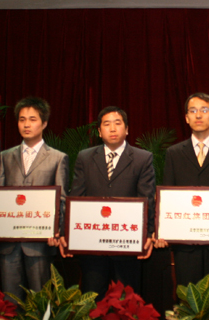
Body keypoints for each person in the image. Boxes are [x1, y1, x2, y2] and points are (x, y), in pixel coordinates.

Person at [0, 97, 69, 300]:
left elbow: (62, 200)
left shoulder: (57, 158)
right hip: (8, 243)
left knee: (41, 301)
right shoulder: (5, 156)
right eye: (22, 120)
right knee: (10, 301)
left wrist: (58, 231)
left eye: (32, 119)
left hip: (40, 243)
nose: (26, 124)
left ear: (44, 123)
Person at [157, 92, 209, 299]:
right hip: (185, 243)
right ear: (186, 118)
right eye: (193, 111)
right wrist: (162, 229)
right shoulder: (174, 153)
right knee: (189, 300)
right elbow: (168, 195)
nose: (198, 115)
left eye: (204, 110)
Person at [67, 106, 156, 296]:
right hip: (92, 245)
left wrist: (148, 233)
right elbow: (77, 196)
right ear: (99, 132)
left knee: (126, 301)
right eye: (107, 124)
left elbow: (147, 199)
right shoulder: (85, 157)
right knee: (92, 299)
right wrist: (68, 232)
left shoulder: (142, 158)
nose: (113, 128)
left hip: (127, 244)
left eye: (117, 123)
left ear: (127, 129)